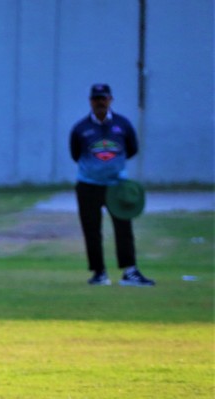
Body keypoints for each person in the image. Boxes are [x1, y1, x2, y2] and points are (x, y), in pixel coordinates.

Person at [68, 83, 154, 287]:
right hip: (89, 185)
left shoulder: (122, 124)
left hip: (117, 186)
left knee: (123, 228)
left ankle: (130, 272)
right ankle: (99, 272)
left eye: (103, 98)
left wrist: (113, 168)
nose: (100, 102)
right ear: (90, 101)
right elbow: (75, 154)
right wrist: (95, 169)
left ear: (110, 100)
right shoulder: (81, 128)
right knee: (91, 229)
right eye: (96, 99)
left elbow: (132, 149)